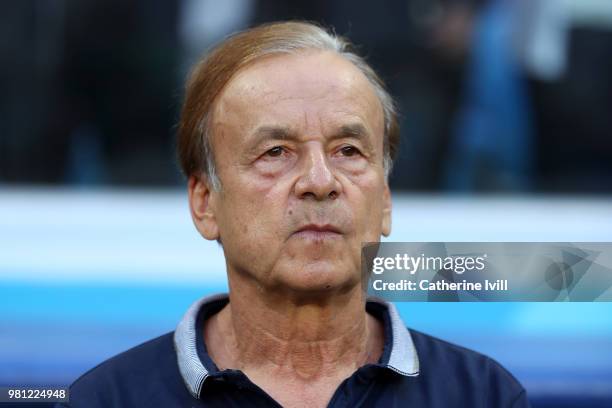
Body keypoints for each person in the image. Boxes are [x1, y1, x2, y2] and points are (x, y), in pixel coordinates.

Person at [62, 21, 530, 407]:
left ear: (384, 200)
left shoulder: (482, 395)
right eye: (275, 152)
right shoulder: (108, 399)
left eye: (348, 150)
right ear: (204, 203)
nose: (320, 181)